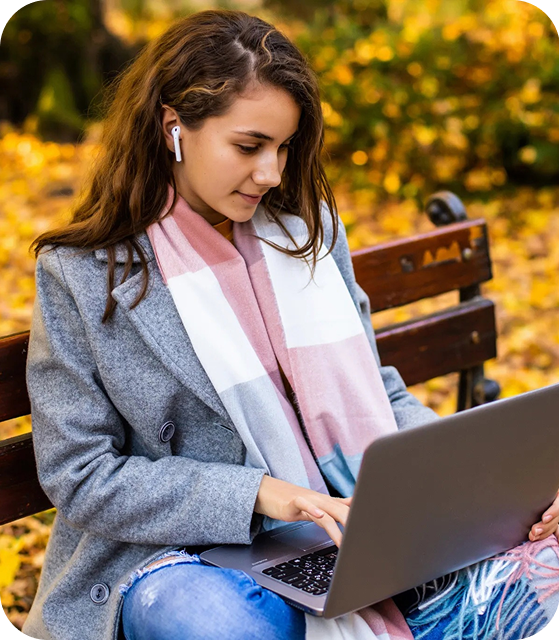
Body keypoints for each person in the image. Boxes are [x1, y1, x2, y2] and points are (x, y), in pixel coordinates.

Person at [22, 9, 559, 640]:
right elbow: (81, 475)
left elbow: (379, 396)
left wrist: (491, 486)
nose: (272, 173)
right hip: (183, 557)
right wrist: (261, 494)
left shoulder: (309, 236)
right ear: (174, 129)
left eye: (284, 147)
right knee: (211, 623)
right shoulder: (84, 272)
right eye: (249, 147)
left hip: (354, 534)